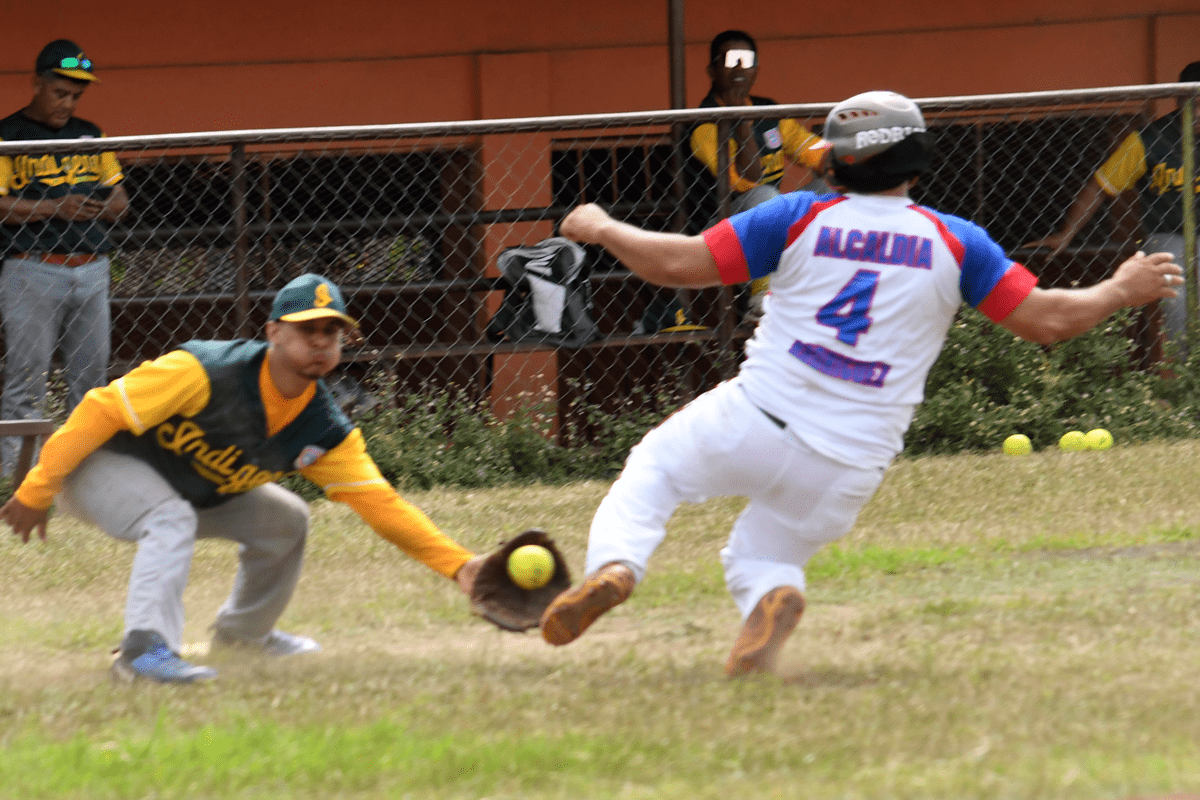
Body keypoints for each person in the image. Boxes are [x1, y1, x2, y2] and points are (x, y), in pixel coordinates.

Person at [541, 91, 1182, 677]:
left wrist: (601, 228)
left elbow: (680, 265)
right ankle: (770, 598)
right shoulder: (956, 243)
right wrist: (1118, 289)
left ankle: (616, 568)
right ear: (917, 164)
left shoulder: (795, 215)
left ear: (836, 164)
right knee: (763, 550)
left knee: (654, 470)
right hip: (851, 463)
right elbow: (1046, 320)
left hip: (756, 418)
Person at [0, 273, 487, 684]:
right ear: (274, 332)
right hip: (95, 466)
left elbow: (383, 506)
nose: (320, 341)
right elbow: (96, 411)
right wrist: (36, 488)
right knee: (169, 517)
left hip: (190, 486)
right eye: (307, 329)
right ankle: (143, 653)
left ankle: (244, 636)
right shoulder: (205, 369)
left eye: (332, 332)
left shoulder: (323, 429)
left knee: (287, 519)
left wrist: (461, 567)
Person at [0, 39, 130, 475]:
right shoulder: (8, 134)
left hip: (91, 267)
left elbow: (120, 200)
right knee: (27, 379)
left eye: (76, 96)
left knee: (90, 381)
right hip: (32, 265)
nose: (68, 103)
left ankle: (82, 478)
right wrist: (56, 207)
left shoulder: (90, 133)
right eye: (60, 93)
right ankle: (17, 480)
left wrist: (99, 205)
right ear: (36, 83)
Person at [1023, 61, 1200, 345]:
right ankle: (1189, 377)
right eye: (1194, 104)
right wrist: (1067, 233)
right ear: (1179, 100)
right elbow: (1100, 185)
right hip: (1169, 234)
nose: (1198, 114)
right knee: (1179, 308)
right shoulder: (1151, 139)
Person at [685, 29, 829, 324]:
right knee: (765, 196)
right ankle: (761, 297)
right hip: (721, 231)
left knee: (836, 184)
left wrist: (848, 161)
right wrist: (742, 125)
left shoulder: (770, 110)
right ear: (712, 70)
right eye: (730, 60)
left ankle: (827, 272)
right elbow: (747, 181)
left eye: (746, 59)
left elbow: (812, 151)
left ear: (756, 69)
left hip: (773, 219)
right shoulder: (702, 123)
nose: (739, 67)